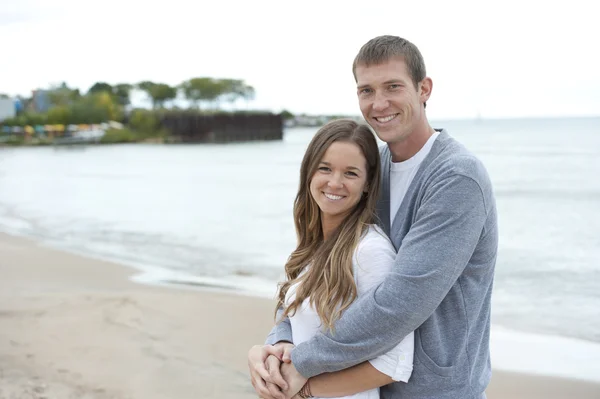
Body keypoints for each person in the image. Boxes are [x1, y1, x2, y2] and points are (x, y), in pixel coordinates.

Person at [248, 34, 498, 399]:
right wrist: (278, 343)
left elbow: (400, 302)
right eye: (366, 90)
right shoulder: (370, 170)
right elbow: (318, 272)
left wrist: (302, 365)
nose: (379, 103)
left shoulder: (456, 178)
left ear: (424, 88)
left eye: (393, 87)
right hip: (373, 389)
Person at [249, 118, 415, 399]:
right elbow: (294, 320)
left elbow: (394, 364)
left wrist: (304, 392)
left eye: (350, 173)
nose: (334, 183)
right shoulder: (315, 245)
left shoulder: (370, 252)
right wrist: (264, 351)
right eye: (325, 168)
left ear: (366, 184)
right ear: (309, 172)